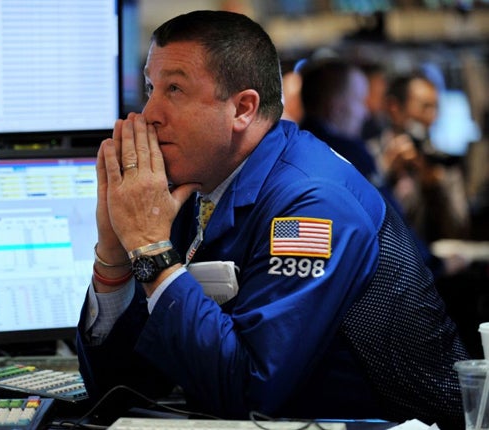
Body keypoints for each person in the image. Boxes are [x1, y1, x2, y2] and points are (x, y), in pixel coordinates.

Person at [77, 10, 469, 429]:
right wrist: (115, 255)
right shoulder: (193, 188)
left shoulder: (314, 201)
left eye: (174, 88)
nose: (150, 112)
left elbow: (249, 391)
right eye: (151, 87)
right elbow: (122, 387)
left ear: (243, 108)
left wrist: (151, 249)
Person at [298, 57, 468, 278]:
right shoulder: (353, 155)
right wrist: (434, 265)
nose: (365, 113)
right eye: (359, 101)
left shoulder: (294, 148)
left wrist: (432, 185)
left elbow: (458, 226)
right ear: (336, 107)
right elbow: (389, 229)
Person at [372, 72, 471, 243]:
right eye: (425, 107)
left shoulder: (441, 161)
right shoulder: (371, 154)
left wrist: (433, 188)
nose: (432, 116)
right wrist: (385, 170)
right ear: (394, 107)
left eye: (436, 108)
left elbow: (458, 229)